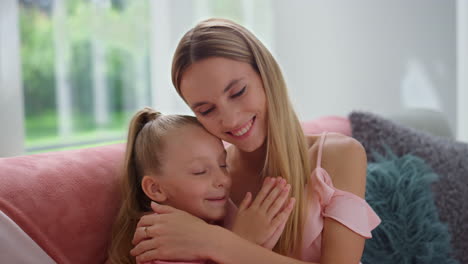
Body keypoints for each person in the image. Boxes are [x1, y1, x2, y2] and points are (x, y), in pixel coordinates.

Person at [130, 18, 381, 264]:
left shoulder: (339, 156)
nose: (229, 119)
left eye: (238, 92)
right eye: (206, 110)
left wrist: (215, 242)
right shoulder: (210, 180)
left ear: (265, 75)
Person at [107, 107, 295, 264]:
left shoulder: (215, 218)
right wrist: (242, 242)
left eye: (223, 165)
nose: (223, 179)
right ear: (156, 189)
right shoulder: (161, 242)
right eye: (200, 171)